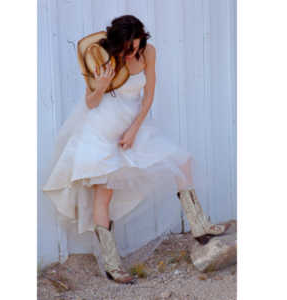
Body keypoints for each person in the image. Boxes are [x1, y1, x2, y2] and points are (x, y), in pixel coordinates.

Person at [42, 15, 230, 285]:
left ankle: (199, 227)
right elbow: (91, 103)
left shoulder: (148, 52)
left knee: (182, 161)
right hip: (102, 129)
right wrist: (103, 86)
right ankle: (112, 264)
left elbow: (149, 95)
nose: (131, 52)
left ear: (143, 37)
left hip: (134, 123)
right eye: (126, 47)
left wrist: (134, 130)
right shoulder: (103, 56)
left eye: (135, 45)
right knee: (103, 193)